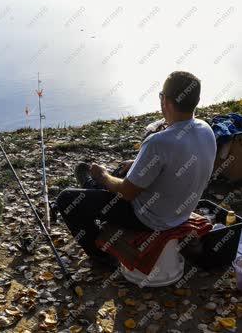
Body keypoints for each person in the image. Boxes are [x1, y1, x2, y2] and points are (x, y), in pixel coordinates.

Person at [53, 71, 217, 264]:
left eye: (161, 96)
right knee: (122, 171)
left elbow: (127, 193)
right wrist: (137, 164)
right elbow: (178, 165)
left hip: (149, 218)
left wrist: (104, 176)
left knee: (67, 198)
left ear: (166, 101)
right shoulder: (206, 129)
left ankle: (101, 257)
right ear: (196, 101)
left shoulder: (158, 141)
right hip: (180, 211)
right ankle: (93, 186)